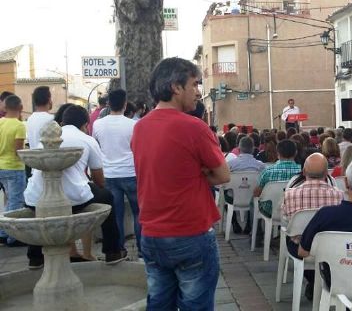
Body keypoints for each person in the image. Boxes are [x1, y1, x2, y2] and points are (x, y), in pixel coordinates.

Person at [131, 57, 230, 310]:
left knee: (159, 303)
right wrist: (198, 173)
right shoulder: (194, 127)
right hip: (190, 233)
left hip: (151, 234)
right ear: (176, 87)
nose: (199, 92)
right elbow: (222, 175)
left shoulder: (140, 128)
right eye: (195, 84)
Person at [24, 105, 125, 267]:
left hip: (35, 196)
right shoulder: (87, 140)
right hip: (73, 197)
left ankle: (35, 257)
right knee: (107, 197)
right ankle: (112, 251)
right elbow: (99, 179)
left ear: (62, 121)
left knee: (39, 213)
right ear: (85, 124)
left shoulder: (45, 141)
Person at [281, 152, 344, 300]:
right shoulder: (339, 195)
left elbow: (285, 222)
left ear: (303, 172)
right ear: (326, 174)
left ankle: (313, 281)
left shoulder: (290, 194)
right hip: (331, 247)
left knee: (290, 236)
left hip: (300, 248)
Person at [92, 89, 141, 254]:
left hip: (109, 175)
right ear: (125, 104)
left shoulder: (98, 124)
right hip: (131, 173)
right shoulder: (134, 124)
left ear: (108, 104)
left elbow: (96, 147)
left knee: (116, 215)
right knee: (139, 213)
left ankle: (119, 249)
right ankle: (142, 250)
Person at [0, 95, 27, 247]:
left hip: (1, 166)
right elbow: (18, 150)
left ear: (5, 107)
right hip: (14, 167)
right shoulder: (19, 125)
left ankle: (3, 234)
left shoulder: (0, 122)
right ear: (20, 107)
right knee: (15, 202)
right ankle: (13, 237)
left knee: (9, 201)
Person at [254, 139, 301, 218]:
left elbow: (257, 193)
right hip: (294, 210)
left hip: (270, 210)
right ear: (296, 153)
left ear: (278, 154)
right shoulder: (302, 173)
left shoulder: (268, 172)